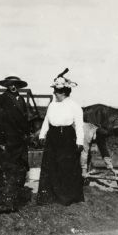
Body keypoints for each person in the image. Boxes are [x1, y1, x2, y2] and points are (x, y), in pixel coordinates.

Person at [36, 69, 85, 205]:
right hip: (53, 136)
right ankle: (50, 196)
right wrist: (42, 135)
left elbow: (79, 125)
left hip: (67, 137)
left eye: (56, 91)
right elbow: (46, 120)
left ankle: (66, 197)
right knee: (50, 165)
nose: (54, 93)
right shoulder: (52, 105)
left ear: (63, 92)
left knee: (66, 166)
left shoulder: (74, 106)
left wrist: (80, 142)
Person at [0, 76, 31, 213]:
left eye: (16, 84)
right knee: (5, 172)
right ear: (6, 86)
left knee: (18, 172)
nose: (13, 86)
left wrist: (27, 134)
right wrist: (1, 142)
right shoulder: (2, 100)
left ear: (19, 86)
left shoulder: (21, 99)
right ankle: (1, 206)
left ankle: (13, 204)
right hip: (7, 142)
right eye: (10, 84)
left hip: (19, 143)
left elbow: (25, 120)